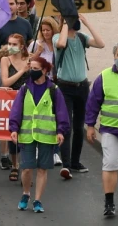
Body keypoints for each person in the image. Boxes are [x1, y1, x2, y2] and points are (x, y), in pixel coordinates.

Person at [9, 56, 69, 213]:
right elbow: (16, 110)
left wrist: (61, 131)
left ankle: (37, 200)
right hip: (27, 134)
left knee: (42, 169)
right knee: (27, 168)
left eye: (35, 69)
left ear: (44, 70)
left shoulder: (53, 90)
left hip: (46, 136)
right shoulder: (24, 88)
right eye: (31, 68)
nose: (32, 72)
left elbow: (61, 112)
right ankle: (25, 194)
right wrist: (14, 129)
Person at [84, 41, 118, 219]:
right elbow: (93, 103)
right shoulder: (104, 77)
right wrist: (90, 125)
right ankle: (109, 202)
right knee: (110, 165)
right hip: (111, 129)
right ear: (114, 57)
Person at [56, 13, 104, 177]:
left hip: (82, 87)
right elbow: (62, 44)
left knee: (79, 127)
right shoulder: (57, 37)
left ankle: (75, 162)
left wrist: (87, 22)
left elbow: (101, 44)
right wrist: (64, 23)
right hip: (65, 87)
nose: (76, 21)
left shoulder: (82, 38)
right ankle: (66, 164)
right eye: (73, 19)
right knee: (66, 126)